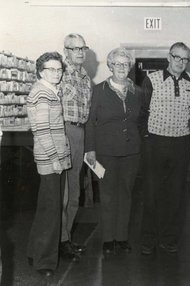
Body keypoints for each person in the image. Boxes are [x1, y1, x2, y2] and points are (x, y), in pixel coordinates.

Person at [139, 42, 190, 255]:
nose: (181, 62)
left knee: (175, 193)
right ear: (169, 57)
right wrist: (146, 140)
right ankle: (148, 239)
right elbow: (143, 112)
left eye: (185, 59)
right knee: (152, 192)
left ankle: (169, 238)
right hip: (155, 141)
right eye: (177, 57)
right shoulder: (152, 79)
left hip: (180, 143)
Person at [85, 47, 142, 255]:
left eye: (125, 64)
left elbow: (141, 122)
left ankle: (122, 237)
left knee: (126, 194)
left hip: (131, 152)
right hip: (104, 152)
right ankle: (108, 238)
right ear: (110, 66)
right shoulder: (98, 90)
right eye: (117, 63)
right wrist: (90, 150)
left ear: (129, 66)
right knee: (108, 195)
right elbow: (90, 122)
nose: (121, 67)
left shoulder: (138, 92)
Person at [26, 52, 71, 277]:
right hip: (50, 159)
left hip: (54, 157)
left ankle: (35, 252)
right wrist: (55, 158)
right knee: (51, 210)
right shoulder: (43, 93)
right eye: (50, 69)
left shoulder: (49, 90)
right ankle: (44, 262)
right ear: (41, 71)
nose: (56, 73)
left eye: (59, 69)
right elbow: (42, 130)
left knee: (47, 207)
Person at [59, 33, 91, 260]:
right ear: (66, 51)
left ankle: (66, 237)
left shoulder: (86, 77)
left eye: (83, 48)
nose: (80, 52)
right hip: (64, 131)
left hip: (80, 132)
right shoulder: (58, 74)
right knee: (63, 192)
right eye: (75, 49)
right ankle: (59, 241)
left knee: (75, 191)